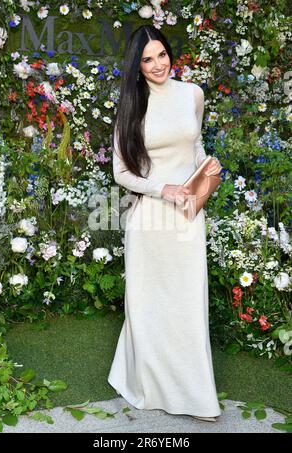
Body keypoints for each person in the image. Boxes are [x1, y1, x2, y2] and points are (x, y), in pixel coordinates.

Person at [107, 24, 222, 422]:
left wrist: (207, 168)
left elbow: (195, 143)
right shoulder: (131, 107)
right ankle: (149, 386)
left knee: (188, 305)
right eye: (147, 59)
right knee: (148, 305)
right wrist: (163, 188)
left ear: (170, 53)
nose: (158, 65)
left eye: (161, 54)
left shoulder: (193, 95)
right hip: (151, 219)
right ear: (137, 67)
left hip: (189, 217)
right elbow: (121, 173)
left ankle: (197, 396)